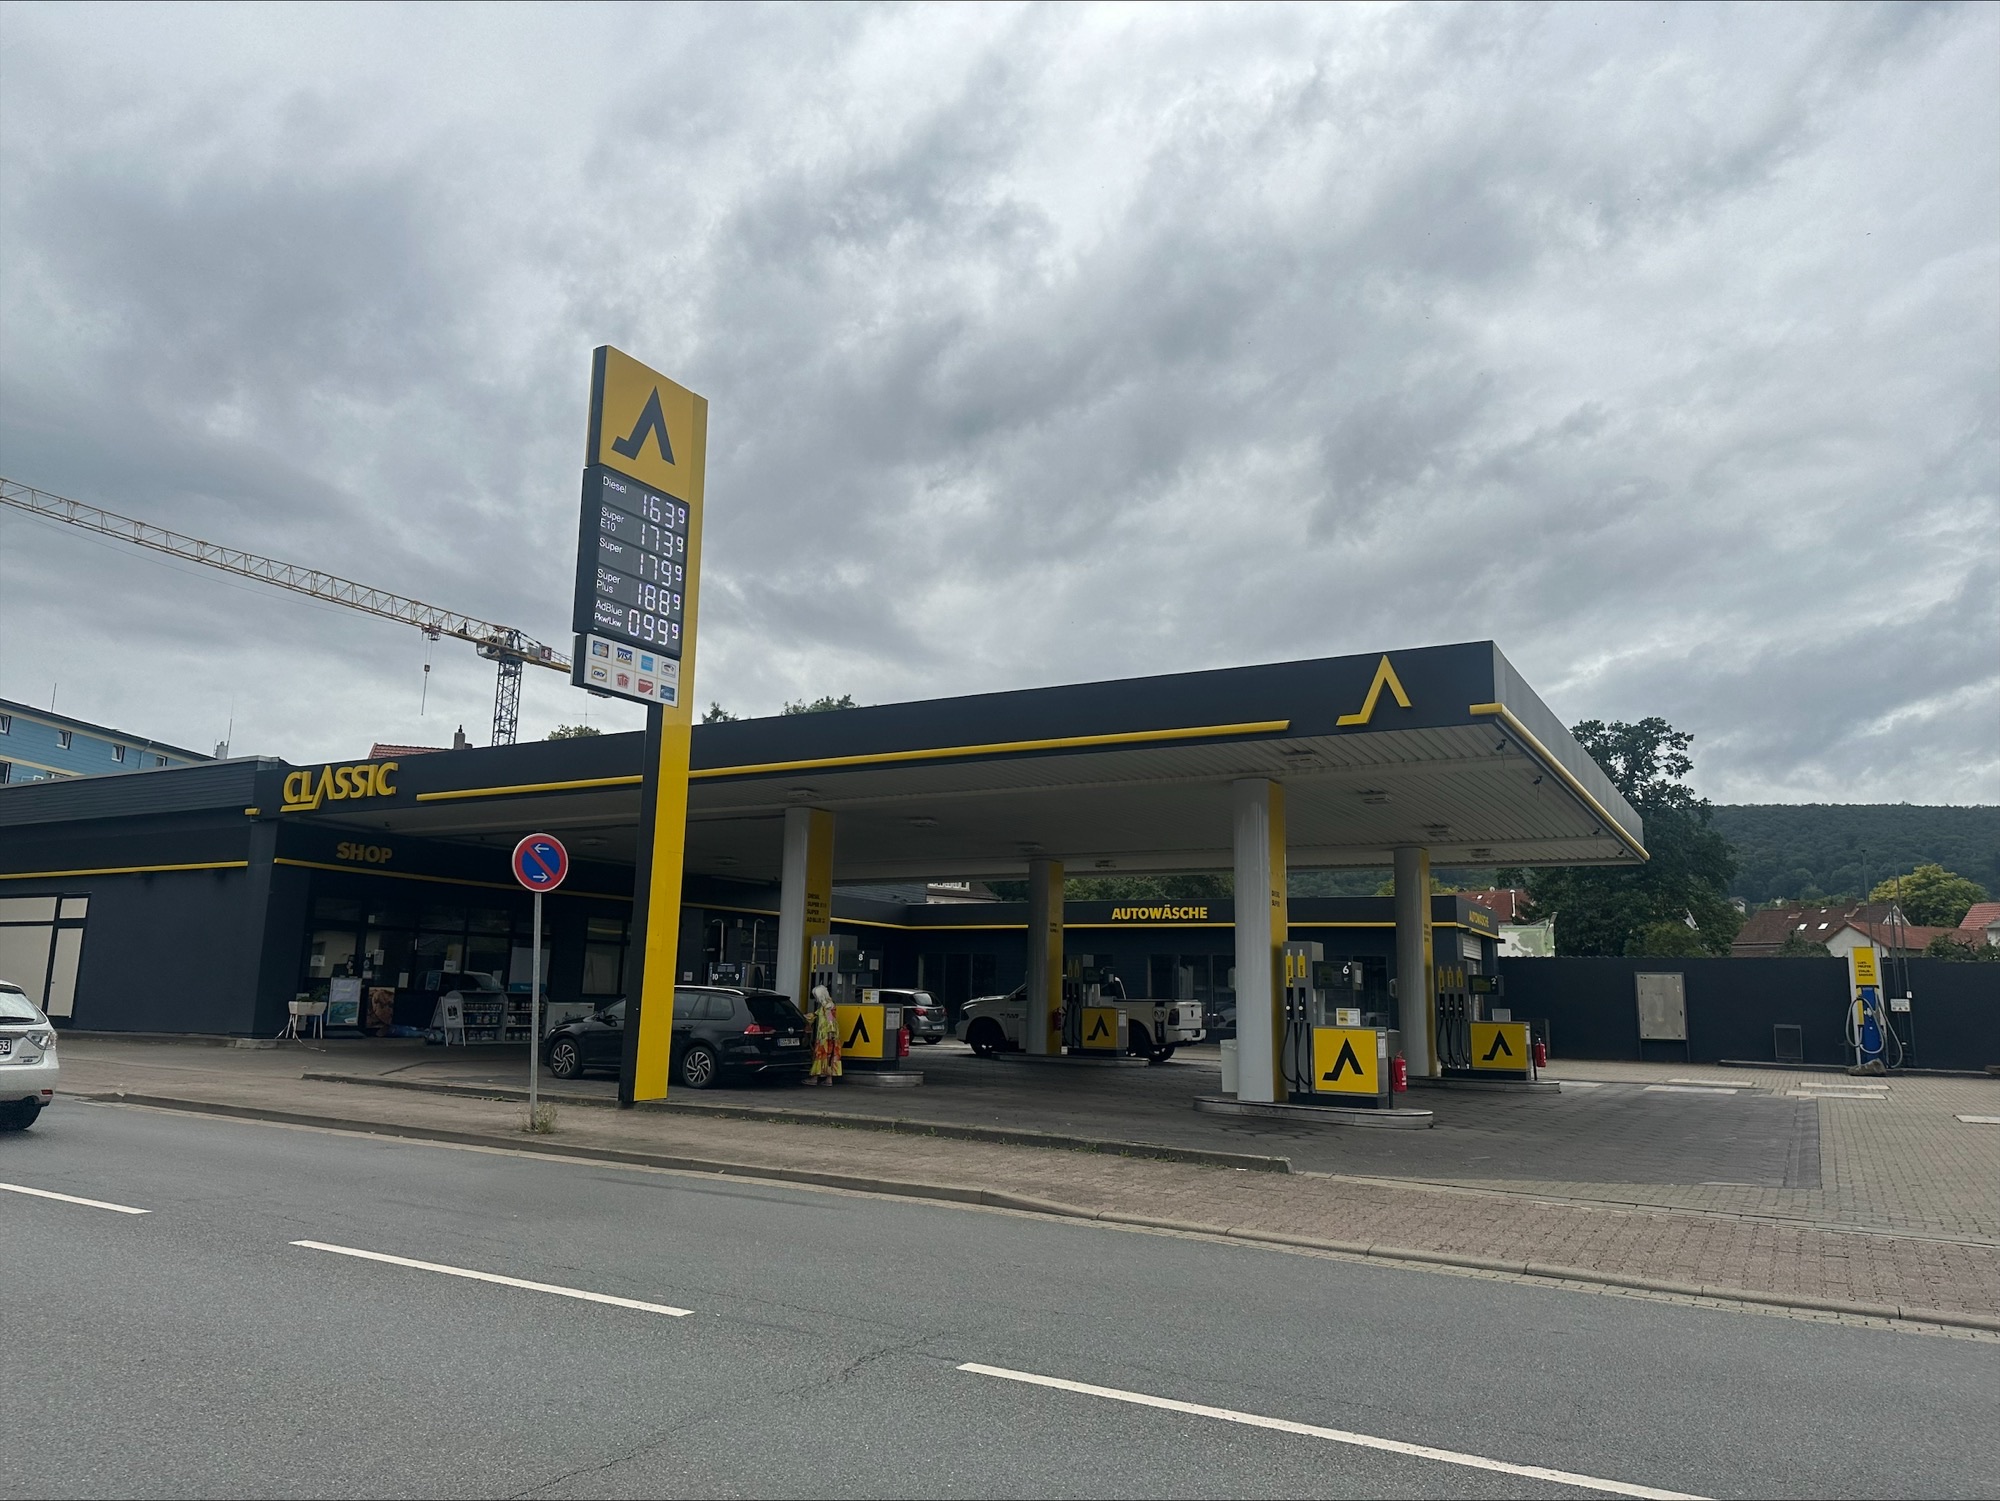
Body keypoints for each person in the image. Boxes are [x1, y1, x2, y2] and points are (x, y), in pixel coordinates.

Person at [807, 983, 841, 1086]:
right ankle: (828, 1079)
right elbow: (815, 1015)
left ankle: (815, 1077)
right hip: (828, 1034)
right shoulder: (826, 1005)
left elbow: (830, 1019)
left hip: (826, 1035)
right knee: (829, 1056)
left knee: (821, 1055)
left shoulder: (827, 1006)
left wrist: (831, 1032)